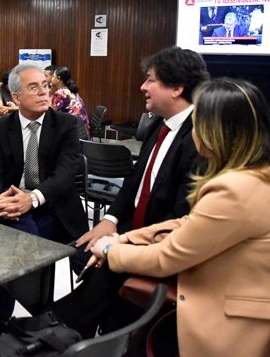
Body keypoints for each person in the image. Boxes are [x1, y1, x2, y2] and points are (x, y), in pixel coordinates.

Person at [91, 78, 270, 357]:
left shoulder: (235, 189)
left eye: (197, 124)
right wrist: (126, 237)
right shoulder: (254, 174)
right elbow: (189, 223)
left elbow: (166, 258)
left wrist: (110, 249)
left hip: (227, 325)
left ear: (216, 131)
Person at [46, 46, 210, 338]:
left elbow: (182, 216)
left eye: (150, 80)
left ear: (177, 88)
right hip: (132, 226)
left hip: (163, 239)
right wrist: (109, 220)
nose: (142, 87)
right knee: (81, 252)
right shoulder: (160, 125)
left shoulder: (199, 138)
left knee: (103, 275)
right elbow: (135, 180)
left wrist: (122, 243)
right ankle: (72, 331)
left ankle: (59, 330)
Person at [0, 64, 88, 351]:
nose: (44, 91)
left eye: (45, 84)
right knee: (17, 238)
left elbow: (65, 176)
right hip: (13, 208)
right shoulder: (2, 127)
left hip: (56, 209)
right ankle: (14, 321)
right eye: (34, 87)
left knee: (18, 247)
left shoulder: (65, 125)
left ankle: (52, 320)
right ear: (15, 97)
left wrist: (33, 198)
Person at [49, 66, 90, 139]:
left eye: (53, 76)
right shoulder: (71, 90)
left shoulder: (60, 93)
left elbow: (50, 113)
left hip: (73, 132)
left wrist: (51, 92)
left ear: (58, 79)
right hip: (83, 131)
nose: (51, 78)